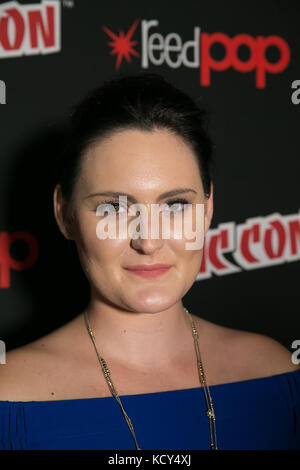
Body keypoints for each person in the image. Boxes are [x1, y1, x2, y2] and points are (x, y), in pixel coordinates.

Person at [0, 72, 299, 450]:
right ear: (64, 213)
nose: (149, 240)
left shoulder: (278, 374)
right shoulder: (9, 399)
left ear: (208, 209)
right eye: (113, 207)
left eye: (175, 205)